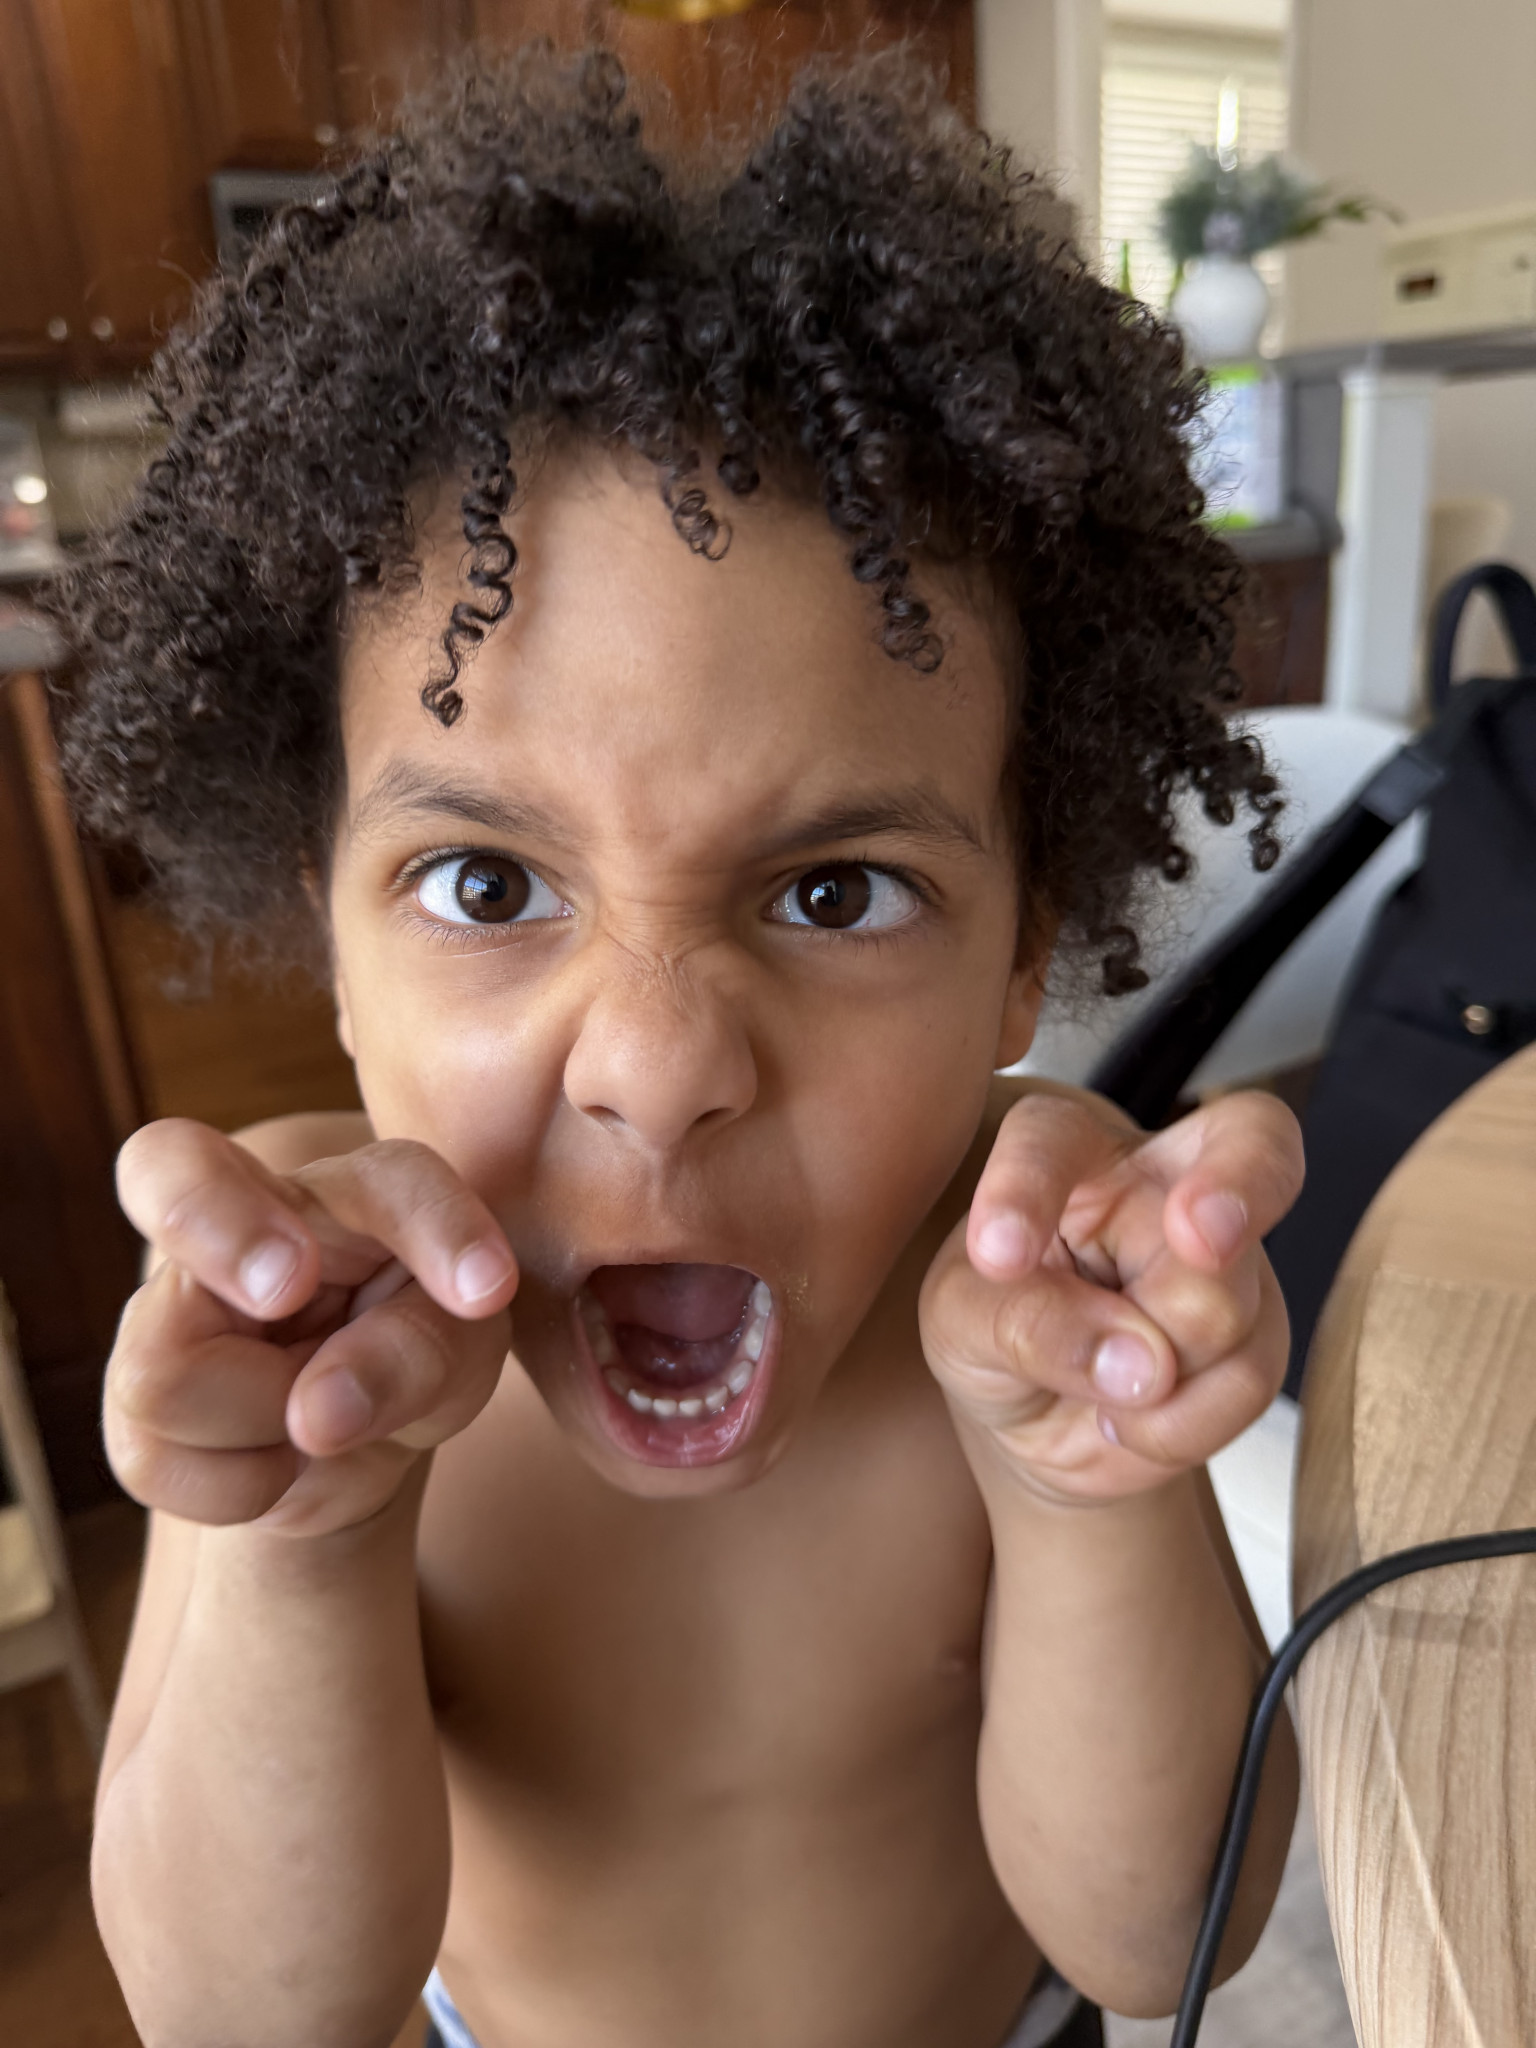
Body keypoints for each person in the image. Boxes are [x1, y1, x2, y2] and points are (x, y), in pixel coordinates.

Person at [50, 45, 1302, 2048]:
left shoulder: (1022, 1275)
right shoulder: (301, 1330)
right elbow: (245, 2018)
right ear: (334, 946)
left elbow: (1171, 1939)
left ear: (1019, 957)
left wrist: (1083, 1488)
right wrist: (304, 1550)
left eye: (835, 892)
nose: (655, 1064)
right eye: (486, 885)